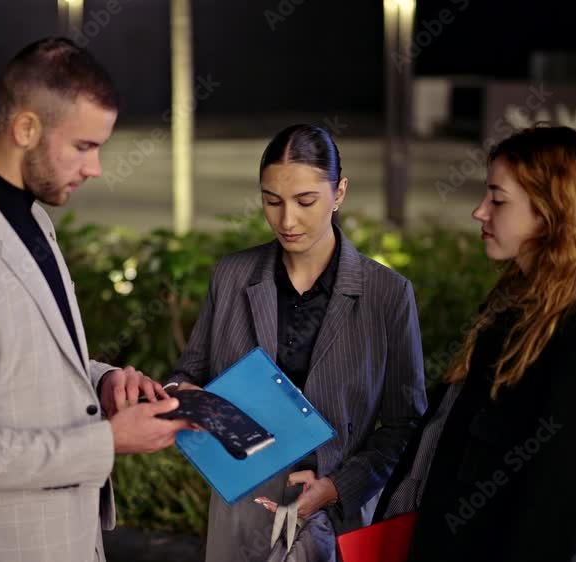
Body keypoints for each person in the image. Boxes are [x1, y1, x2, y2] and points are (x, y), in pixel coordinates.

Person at [0, 38, 191, 562]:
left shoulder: (30, 218)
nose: (96, 168)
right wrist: (108, 442)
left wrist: (103, 381)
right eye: (83, 146)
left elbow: (24, 360)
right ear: (26, 128)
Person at [376, 125, 576, 562]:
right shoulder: (508, 312)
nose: (479, 212)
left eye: (498, 200)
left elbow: (554, 521)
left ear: (551, 211)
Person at [165, 124, 427, 561]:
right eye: (272, 201)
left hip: (337, 518)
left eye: (306, 201)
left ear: (339, 193)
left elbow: (406, 426)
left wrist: (336, 487)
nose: (287, 221)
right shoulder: (231, 276)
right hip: (239, 511)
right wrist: (185, 397)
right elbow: (186, 374)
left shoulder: (388, 294)